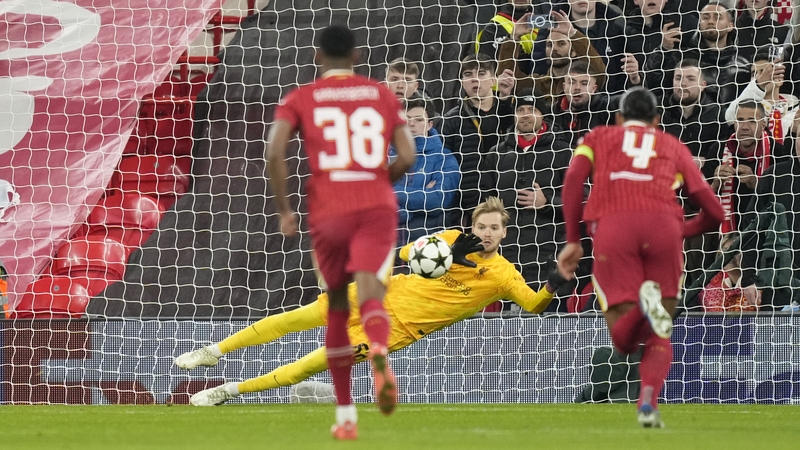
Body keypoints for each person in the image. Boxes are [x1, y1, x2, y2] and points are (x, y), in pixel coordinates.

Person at [175, 198, 569, 409]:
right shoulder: (449, 238)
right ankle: (214, 350)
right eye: (481, 226)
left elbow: (534, 306)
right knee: (299, 316)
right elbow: (404, 254)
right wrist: (445, 255)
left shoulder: (503, 274)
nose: (486, 233)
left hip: (397, 329)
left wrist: (553, 283)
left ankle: (229, 390)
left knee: (312, 364)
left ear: (504, 231)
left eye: (493, 228)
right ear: (472, 224)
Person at [260, 25, 416, 440]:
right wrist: (382, 182)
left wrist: (284, 210)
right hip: (373, 205)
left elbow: (274, 151)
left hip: (327, 208)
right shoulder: (380, 94)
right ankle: (379, 352)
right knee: (372, 294)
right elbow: (410, 154)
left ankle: (346, 416)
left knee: (335, 305)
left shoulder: (300, 97)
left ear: (316, 57)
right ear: (358, 56)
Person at [557, 87, 725, 427]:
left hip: (614, 227)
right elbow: (715, 211)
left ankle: (641, 310)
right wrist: (683, 231)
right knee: (659, 334)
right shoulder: (672, 145)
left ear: (619, 118)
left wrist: (573, 240)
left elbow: (574, 177)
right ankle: (648, 402)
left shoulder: (599, 136)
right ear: (657, 121)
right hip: (663, 226)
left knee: (622, 340)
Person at [481, 92, 572, 301]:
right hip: (506, 254)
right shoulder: (497, 153)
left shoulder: (563, 152)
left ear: (543, 116)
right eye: (520, 110)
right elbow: (484, 198)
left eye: (532, 110)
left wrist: (547, 202)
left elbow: (581, 200)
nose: (525, 115)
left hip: (548, 254)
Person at [440, 54, 516, 227]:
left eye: (481, 73)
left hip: (510, 203)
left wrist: (505, 102)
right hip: (467, 208)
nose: (475, 79)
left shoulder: (513, 111)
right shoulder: (451, 120)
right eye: (468, 75)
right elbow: (446, 167)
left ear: (493, 79)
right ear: (461, 81)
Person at [391, 95, 460, 246]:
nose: (411, 124)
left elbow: (437, 201)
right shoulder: (382, 156)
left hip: (427, 248)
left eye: (419, 119)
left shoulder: (444, 159)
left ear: (430, 125)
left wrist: (393, 192)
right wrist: (419, 197)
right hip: (386, 242)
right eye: (407, 118)